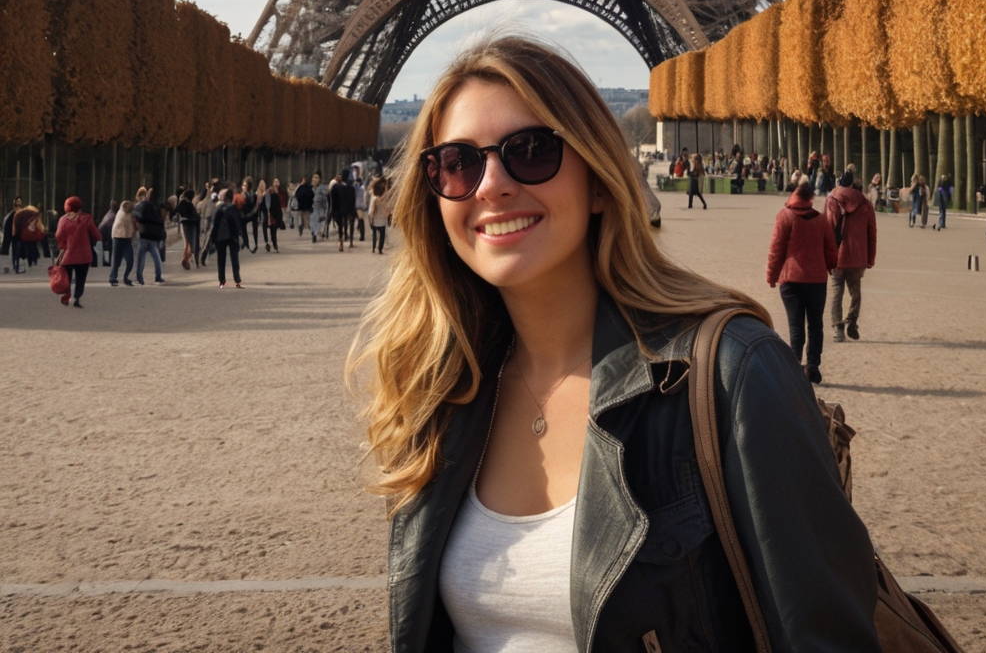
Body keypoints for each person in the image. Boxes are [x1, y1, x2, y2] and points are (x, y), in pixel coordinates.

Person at [348, 36, 880, 653]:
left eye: (531, 151)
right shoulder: (440, 387)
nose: (491, 185)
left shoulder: (734, 372)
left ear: (599, 180)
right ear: (434, 192)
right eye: (458, 163)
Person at [766, 180, 838, 383]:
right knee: (816, 325)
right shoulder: (822, 220)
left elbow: (776, 250)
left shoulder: (784, 217)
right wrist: (831, 265)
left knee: (795, 327)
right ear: (810, 200)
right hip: (816, 280)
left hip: (791, 280)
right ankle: (813, 365)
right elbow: (831, 248)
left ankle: (795, 365)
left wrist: (772, 276)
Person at [826, 169, 877, 342]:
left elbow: (828, 229)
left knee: (836, 291)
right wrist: (870, 258)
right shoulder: (865, 204)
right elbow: (872, 233)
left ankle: (837, 328)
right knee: (855, 290)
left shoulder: (832, 200)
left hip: (838, 254)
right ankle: (852, 320)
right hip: (858, 255)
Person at [55, 197, 102, 308]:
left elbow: (58, 235)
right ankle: (77, 298)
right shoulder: (87, 219)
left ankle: (66, 297)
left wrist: (62, 245)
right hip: (84, 256)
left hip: (68, 255)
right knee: (81, 279)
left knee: (67, 279)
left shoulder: (63, 220)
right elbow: (97, 235)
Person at [211, 188, 244, 288]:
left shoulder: (219, 209)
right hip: (232, 237)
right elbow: (239, 223)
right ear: (232, 198)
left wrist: (213, 238)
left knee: (221, 259)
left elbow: (215, 224)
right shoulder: (234, 209)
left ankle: (222, 281)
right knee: (234, 259)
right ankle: (237, 280)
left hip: (220, 237)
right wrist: (241, 236)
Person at [131, 187, 166, 285]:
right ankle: (158, 276)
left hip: (143, 233)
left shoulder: (138, 206)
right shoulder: (152, 207)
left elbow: (135, 217)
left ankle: (140, 278)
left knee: (140, 257)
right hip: (153, 235)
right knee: (156, 256)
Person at [109, 200, 137, 285]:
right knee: (116, 260)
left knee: (130, 261)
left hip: (127, 239)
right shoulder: (122, 213)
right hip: (118, 238)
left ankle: (125, 277)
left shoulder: (130, 215)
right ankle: (113, 278)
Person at [178, 190, 201, 269]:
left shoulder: (186, 203)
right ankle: (185, 259)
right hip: (188, 224)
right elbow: (185, 213)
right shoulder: (184, 203)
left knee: (188, 243)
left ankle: (186, 259)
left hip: (189, 223)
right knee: (190, 243)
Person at [1, 197, 23, 274]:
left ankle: (16, 265)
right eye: (18, 201)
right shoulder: (12, 214)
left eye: (20, 201)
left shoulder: (20, 212)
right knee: (15, 251)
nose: (19, 202)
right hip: (15, 235)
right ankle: (16, 266)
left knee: (17, 251)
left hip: (18, 235)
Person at [367, 177, 388, 254]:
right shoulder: (383, 199)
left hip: (376, 218)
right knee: (382, 235)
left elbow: (373, 209)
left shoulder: (375, 199)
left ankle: (373, 247)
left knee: (374, 234)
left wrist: (371, 218)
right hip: (382, 218)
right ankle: (380, 248)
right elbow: (385, 209)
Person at [261, 179, 283, 252]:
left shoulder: (280, 192)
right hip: (269, 214)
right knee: (270, 230)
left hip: (275, 215)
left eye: (277, 182)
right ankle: (270, 244)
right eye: (275, 182)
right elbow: (266, 203)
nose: (276, 183)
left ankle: (273, 245)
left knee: (273, 231)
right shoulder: (270, 192)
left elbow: (279, 205)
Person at [311, 172, 330, 242]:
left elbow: (326, 196)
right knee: (313, 222)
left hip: (321, 207)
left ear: (320, 179)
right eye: (313, 177)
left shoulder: (322, 188)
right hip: (312, 208)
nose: (314, 179)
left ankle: (315, 234)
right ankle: (315, 233)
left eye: (316, 178)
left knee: (318, 222)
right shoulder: (311, 188)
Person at [98, 200, 118, 266]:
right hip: (105, 231)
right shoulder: (113, 215)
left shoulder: (109, 213)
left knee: (105, 246)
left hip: (101, 230)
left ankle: (105, 260)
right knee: (110, 245)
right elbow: (110, 228)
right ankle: (109, 261)